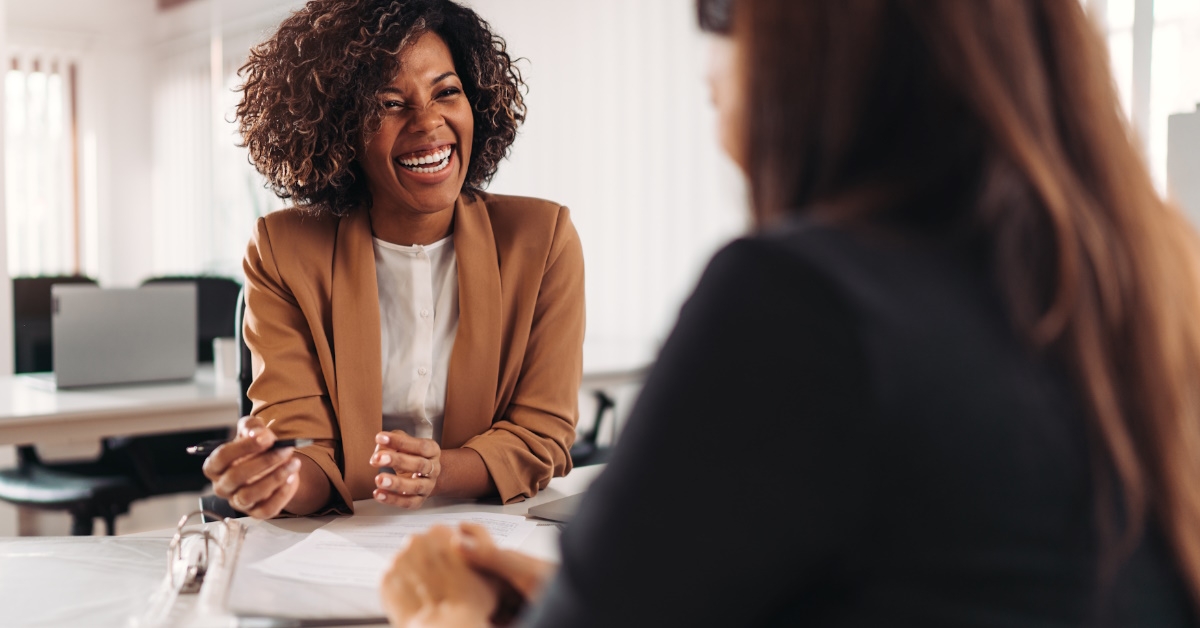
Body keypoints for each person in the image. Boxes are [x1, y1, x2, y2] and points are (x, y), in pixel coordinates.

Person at [380, 0, 1200, 625]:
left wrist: (442, 609)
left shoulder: (802, 306)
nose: (711, 63)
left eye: (723, 19)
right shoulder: (1149, 289)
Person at [201, 0, 585, 519]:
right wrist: (280, 478)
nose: (429, 123)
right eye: (388, 103)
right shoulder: (283, 250)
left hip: (488, 532)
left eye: (446, 92)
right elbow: (307, 446)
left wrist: (439, 472)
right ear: (339, 129)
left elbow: (543, 435)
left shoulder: (542, 241)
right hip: (342, 542)